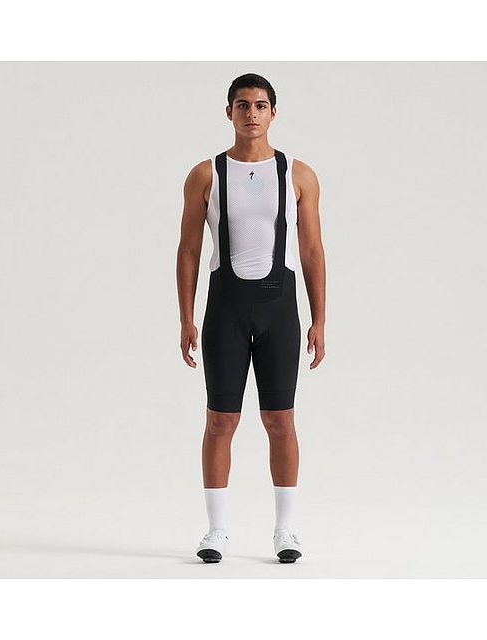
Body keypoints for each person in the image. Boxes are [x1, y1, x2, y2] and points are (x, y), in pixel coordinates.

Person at [176, 73, 327, 563]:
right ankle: (216, 530)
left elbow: (311, 250)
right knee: (220, 421)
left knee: (280, 420)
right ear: (229, 113)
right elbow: (189, 250)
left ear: (273, 113)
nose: (251, 114)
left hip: (279, 311)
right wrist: (185, 317)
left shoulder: (298, 174)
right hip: (225, 310)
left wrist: (319, 319)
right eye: (242, 105)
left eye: (260, 105)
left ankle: (286, 530)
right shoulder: (206, 174)